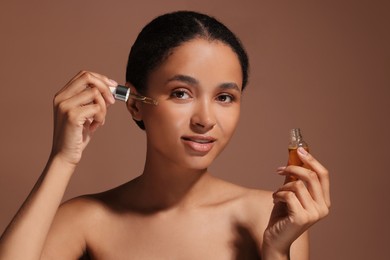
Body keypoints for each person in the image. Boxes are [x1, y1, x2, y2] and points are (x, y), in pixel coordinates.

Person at [0, 11, 330, 259]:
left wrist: (276, 252)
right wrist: (63, 157)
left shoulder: (270, 215)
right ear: (133, 104)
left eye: (224, 97)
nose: (205, 120)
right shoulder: (85, 220)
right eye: (181, 93)